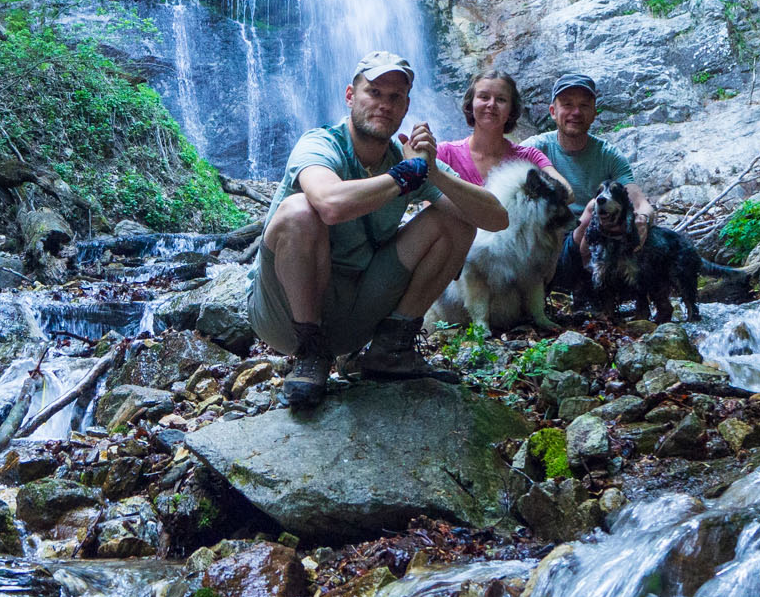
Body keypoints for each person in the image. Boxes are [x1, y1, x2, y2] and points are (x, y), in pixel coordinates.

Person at [250, 51, 511, 411]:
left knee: (457, 215)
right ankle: (311, 353)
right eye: (374, 92)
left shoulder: (402, 160)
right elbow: (329, 203)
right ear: (350, 96)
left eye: (395, 98)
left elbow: (497, 219)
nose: (384, 105)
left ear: (405, 108)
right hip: (283, 315)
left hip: (357, 310)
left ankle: (391, 350)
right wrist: (404, 177)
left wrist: (430, 172)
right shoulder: (321, 143)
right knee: (299, 211)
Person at [529, 72, 654, 281]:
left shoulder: (608, 155)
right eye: (567, 104)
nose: (576, 112)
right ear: (553, 111)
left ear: (595, 113)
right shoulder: (535, 149)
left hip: (594, 241)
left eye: (584, 106)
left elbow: (641, 203)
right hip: (548, 243)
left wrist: (643, 219)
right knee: (593, 207)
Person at [434, 71, 571, 192]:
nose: (491, 104)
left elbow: (566, 192)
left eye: (501, 99)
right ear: (471, 104)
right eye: (484, 97)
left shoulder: (528, 157)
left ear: (512, 110)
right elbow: (432, 209)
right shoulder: (445, 154)